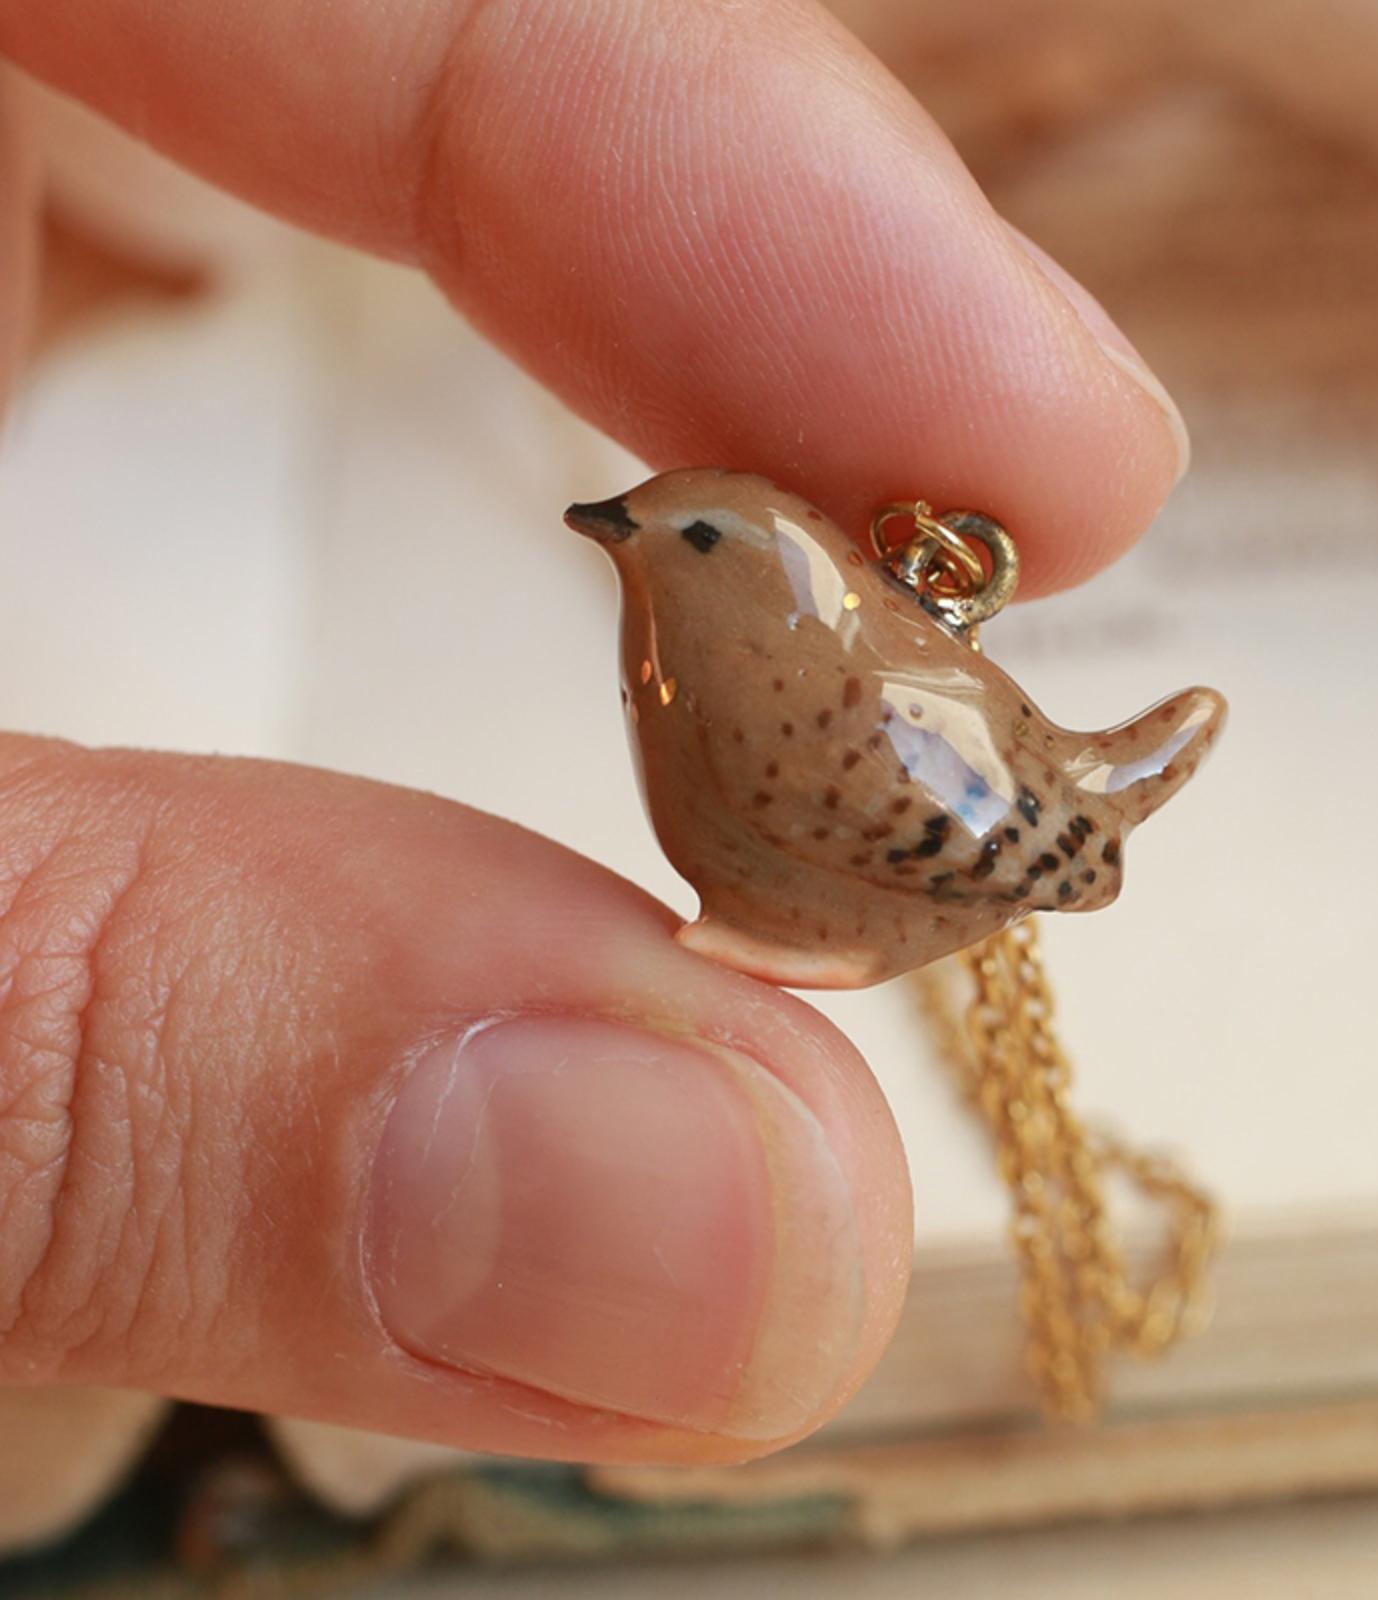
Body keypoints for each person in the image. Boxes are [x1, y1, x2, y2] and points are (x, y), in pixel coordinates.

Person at [0, 0, 1185, 1465]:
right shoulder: (702, 667)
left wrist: (1005, 863)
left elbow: (980, 837)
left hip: (968, 867)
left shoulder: (803, 716)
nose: (634, 542)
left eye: (677, 540)